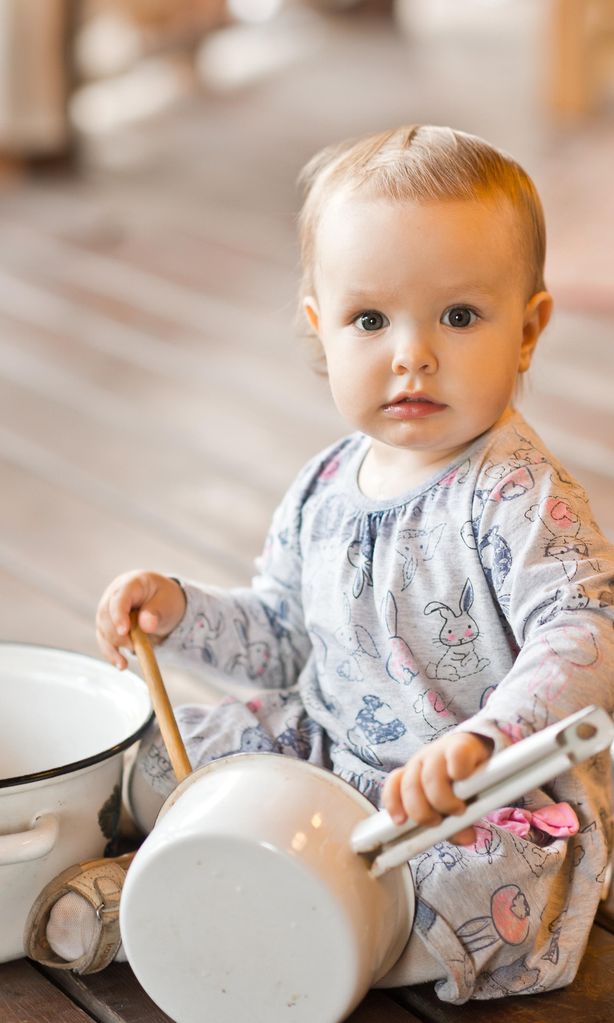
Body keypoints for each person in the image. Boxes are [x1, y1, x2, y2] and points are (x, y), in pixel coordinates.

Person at [26, 124, 614, 1003]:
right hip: (326, 753)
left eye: (458, 316)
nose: (411, 351)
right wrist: (180, 613)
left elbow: (588, 631)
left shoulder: (517, 496)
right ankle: (184, 878)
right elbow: (282, 637)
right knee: (154, 757)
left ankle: (222, 911)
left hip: (459, 804)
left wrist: (483, 740)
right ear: (321, 328)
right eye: (371, 319)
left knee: (473, 891)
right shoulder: (326, 486)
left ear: (527, 330)